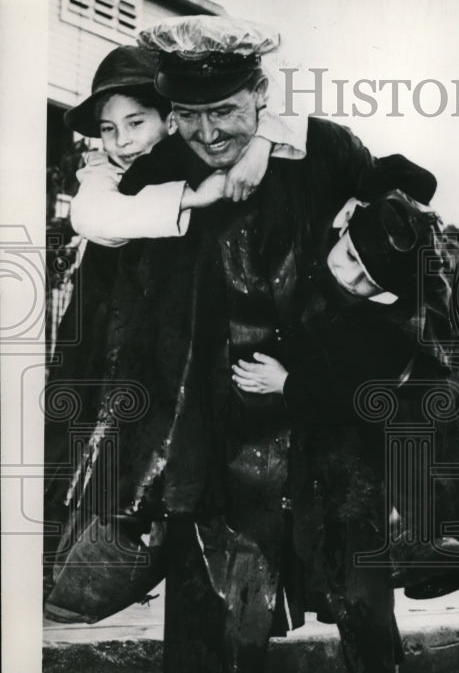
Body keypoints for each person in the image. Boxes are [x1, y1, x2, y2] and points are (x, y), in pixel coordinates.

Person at [48, 14, 442, 673]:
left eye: (226, 111)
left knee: (359, 586)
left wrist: (343, 353)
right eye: (189, 115)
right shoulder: (152, 173)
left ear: (261, 97)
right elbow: (100, 271)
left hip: (323, 412)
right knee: (219, 598)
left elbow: (403, 221)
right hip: (210, 425)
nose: (208, 132)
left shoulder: (322, 151)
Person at [231, 190, 459, 671]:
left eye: (369, 281)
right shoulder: (334, 232)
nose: (351, 278)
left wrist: (288, 384)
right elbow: (407, 176)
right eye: (350, 258)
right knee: (389, 551)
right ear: (344, 221)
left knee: (410, 532)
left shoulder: (394, 316)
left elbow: (355, 392)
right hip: (375, 434)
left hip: (392, 428)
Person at [44, 43, 307, 623]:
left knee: (164, 458)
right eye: (108, 129)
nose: (121, 141)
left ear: (170, 118)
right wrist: (193, 196)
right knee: (80, 439)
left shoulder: (196, 154)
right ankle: (77, 560)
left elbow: (288, 120)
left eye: (135, 122)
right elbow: (91, 215)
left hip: (181, 343)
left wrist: (262, 145)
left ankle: (124, 555)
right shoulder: (110, 174)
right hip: (106, 332)